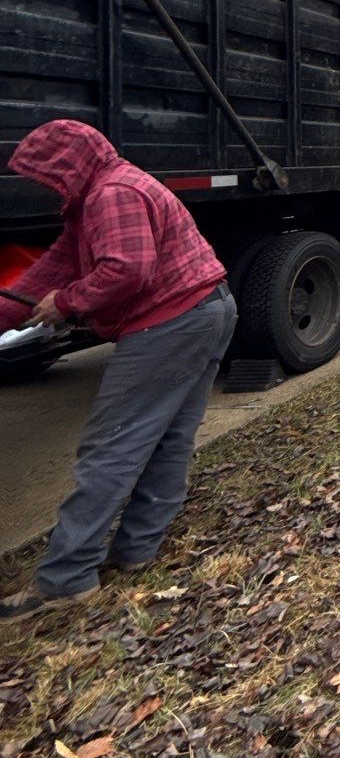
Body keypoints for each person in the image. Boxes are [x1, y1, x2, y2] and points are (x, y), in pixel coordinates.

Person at [0, 121, 236, 623]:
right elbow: (56, 264)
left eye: (46, 175)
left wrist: (66, 304)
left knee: (112, 447)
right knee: (170, 438)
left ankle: (66, 579)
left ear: (67, 165)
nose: (45, 186)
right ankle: (136, 550)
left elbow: (128, 268)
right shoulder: (98, 195)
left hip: (170, 322)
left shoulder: (112, 193)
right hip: (206, 309)